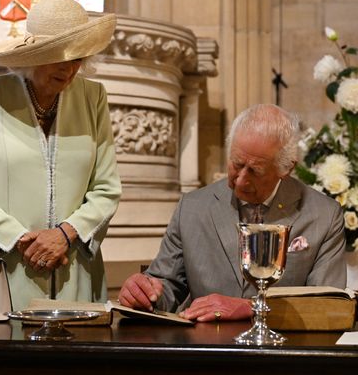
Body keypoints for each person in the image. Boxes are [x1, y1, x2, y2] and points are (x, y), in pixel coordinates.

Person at [0, 0, 121, 320]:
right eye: (59, 56)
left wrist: (64, 234)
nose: (70, 68)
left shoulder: (93, 97)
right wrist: (22, 240)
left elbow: (106, 189)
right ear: (32, 56)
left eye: (78, 57)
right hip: (3, 271)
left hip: (73, 271)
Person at [118, 104, 346, 322]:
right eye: (236, 163)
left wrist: (250, 307)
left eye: (255, 171)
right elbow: (166, 287)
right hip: (207, 352)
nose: (240, 180)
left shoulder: (324, 215)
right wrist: (144, 293)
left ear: (286, 169)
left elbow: (327, 306)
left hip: (284, 355)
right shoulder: (192, 207)